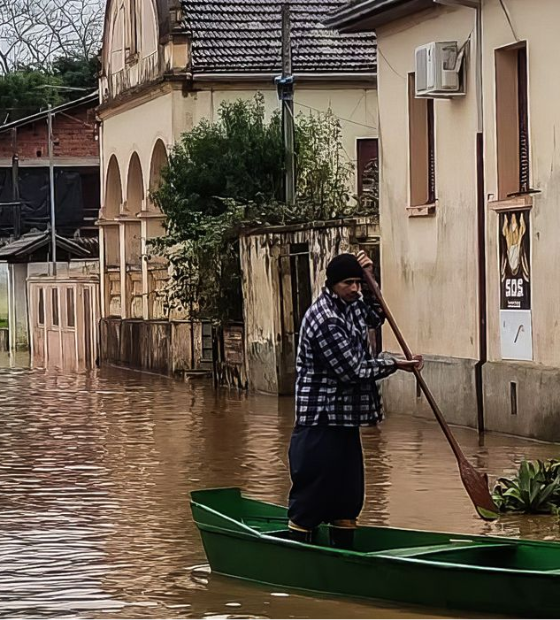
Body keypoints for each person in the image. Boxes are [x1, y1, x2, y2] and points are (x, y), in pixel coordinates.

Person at [287, 251, 423, 548]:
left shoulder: (354, 303)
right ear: (333, 284)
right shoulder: (325, 319)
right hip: (319, 420)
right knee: (312, 495)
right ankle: (299, 552)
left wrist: (371, 277)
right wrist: (396, 364)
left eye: (357, 283)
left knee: (348, 497)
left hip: (346, 419)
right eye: (349, 283)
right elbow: (352, 370)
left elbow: (378, 314)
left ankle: (344, 552)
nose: (355, 289)